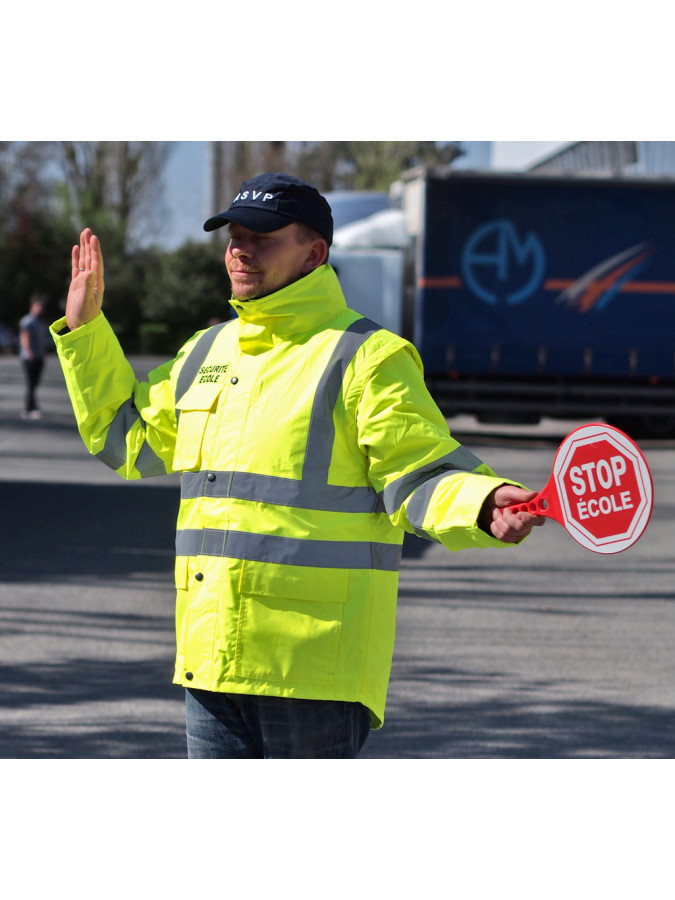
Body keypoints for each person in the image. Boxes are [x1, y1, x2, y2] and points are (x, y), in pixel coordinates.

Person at [51, 173, 545, 758]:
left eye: (262, 236)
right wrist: (85, 330)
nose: (241, 249)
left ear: (314, 254)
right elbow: (125, 437)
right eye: (234, 235)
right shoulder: (207, 351)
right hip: (210, 666)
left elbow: (420, 470)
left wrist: (483, 504)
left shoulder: (366, 358)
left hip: (313, 672)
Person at [19, 294, 51, 419]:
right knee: (31, 383)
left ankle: (32, 407)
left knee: (35, 383)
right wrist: (28, 351)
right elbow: (24, 337)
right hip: (30, 357)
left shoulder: (40, 322)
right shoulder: (28, 321)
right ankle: (29, 408)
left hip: (39, 356)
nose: (40, 309)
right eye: (38, 306)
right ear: (32, 306)